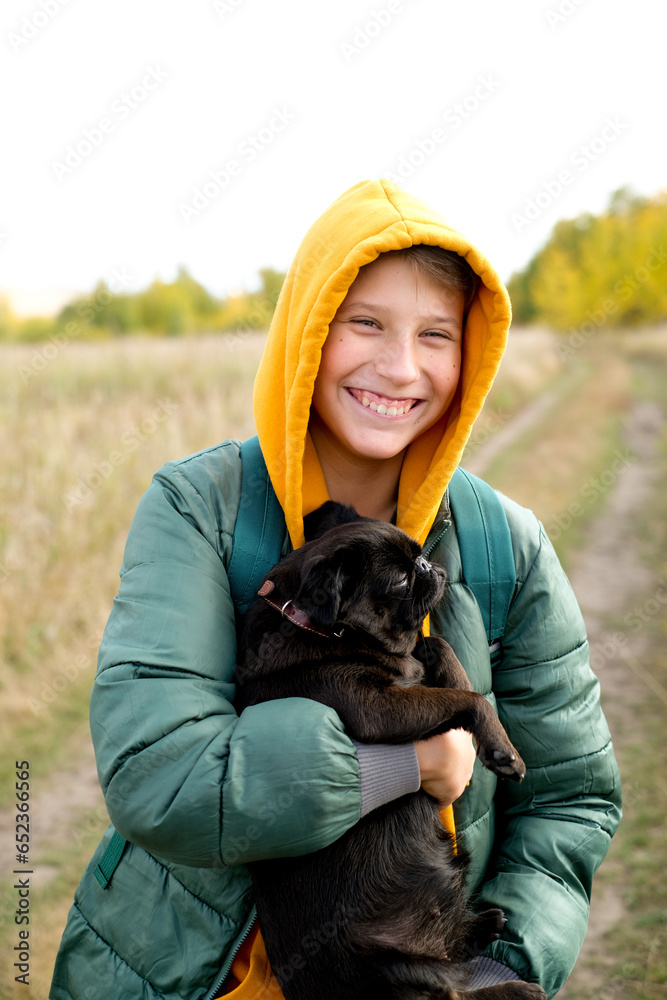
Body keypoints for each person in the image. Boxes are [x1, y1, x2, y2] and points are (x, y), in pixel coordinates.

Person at [50, 179, 621, 1000]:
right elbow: (161, 778)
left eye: (436, 334)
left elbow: (572, 801)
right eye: (365, 324)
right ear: (308, 333)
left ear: (469, 356)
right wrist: (413, 762)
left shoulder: (506, 546)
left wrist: (496, 971)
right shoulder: (199, 511)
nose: (399, 366)